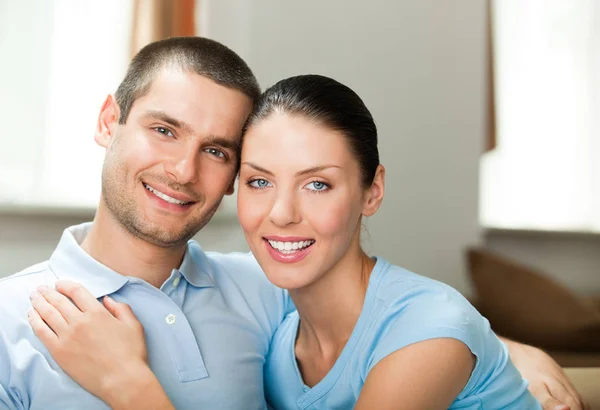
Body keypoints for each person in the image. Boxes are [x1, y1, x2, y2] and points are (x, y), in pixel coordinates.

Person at [2, 37, 585, 409]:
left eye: (216, 150)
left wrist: (502, 350)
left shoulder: (259, 287)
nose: (182, 170)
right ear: (110, 120)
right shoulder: (10, 321)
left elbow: (407, 323)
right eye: (163, 129)